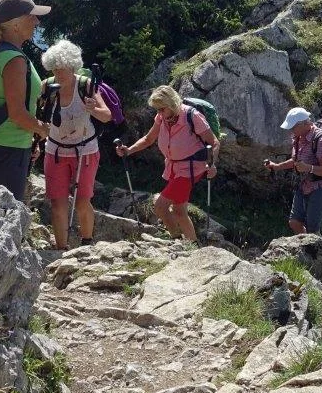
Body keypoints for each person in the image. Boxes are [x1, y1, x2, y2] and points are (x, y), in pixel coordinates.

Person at [116, 86, 219, 243]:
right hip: (173, 167)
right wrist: (129, 150)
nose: (159, 113)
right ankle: (192, 243)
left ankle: (177, 240)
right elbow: (148, 139)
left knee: (160, 206)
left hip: (190, 169)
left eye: (161, 109)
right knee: (179, 210)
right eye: (157, 110)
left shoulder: (192, 116)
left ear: (171, 104)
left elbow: (214, 142)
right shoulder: (162, 118)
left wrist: (212, 165)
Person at [0, 0, 52, 203]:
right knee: (5, 212)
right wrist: (44, 129)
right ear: (16, 24)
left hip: (4, 144)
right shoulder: (14, 60)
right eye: (32, 16)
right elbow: (17, 114)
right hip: (9, 149)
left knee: (2, 209)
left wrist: (31, 140)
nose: (37, 21)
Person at [40, 40, 112, 249]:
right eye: (54, 68)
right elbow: (40, 117)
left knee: (82, 201)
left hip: (85, 151)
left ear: (72, 67)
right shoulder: (46, 86)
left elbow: (107, 116)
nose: (58, 73)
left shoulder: (86, 86)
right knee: (57, 202)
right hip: (55, 151)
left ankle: (87, 243)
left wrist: (92, 109)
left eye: (62, 69)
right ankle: (61, 249)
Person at [263, 107, 322, 235]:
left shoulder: (320, 141)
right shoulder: (297, 138)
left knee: (312, 229)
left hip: (319, 188)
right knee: (294, 222)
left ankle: (318, 252)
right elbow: (295, 161)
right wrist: (276, 166)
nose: (291, 130)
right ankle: (307, 248)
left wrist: (308, 168)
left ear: (304, 124)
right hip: (303, 185)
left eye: (293, 127)